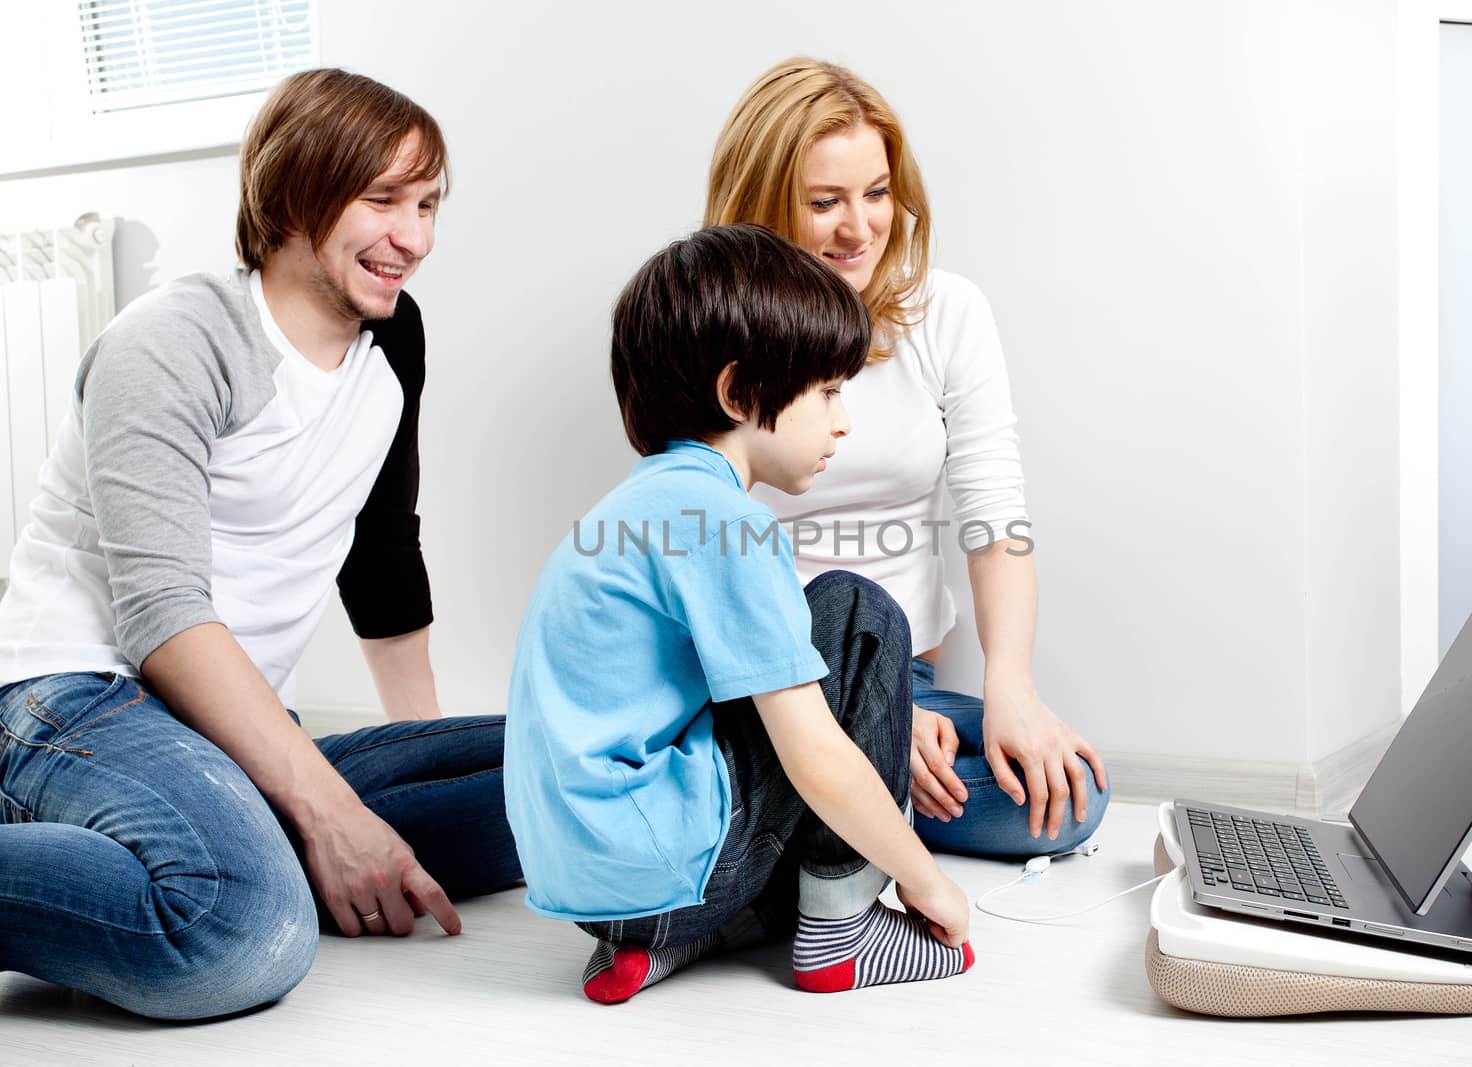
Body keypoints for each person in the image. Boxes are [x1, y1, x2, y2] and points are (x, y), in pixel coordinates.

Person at [0, 68, 520, 1021]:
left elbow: (379, 553)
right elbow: (160, 618)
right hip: (76, 696)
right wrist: (328, 812)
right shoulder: (174, 341)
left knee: (568, 773)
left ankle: (163, 839)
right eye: (381, 201)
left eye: (427, 204)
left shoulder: (391, 341)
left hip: (227, 732)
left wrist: (413, 747)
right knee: (241, 932)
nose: (413, 237)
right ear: (292, 195)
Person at [504, 224, 974, 1004]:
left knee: (766, 680)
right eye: (827, 391)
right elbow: (816, 755)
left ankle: (681, 938)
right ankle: (841, 932)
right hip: (663, 864)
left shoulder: (632, 507)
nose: (843, 420)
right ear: (737, 394)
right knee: (855, 612)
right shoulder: (725, 521)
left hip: (594, 886)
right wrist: (929, 884)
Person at [706, 58, 1110, 858]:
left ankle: (780, 812)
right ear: (762, 206)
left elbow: (996, 515)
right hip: (759, 685)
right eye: (824, 202)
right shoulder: (709, 326)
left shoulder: (948, 311)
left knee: (1068, 796)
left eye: (877, 192)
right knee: (784, 751)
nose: (859, 226)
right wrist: (860, 711)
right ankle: (823, 790)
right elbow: (711, 556)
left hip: (913, 684)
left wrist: (1009, 687)